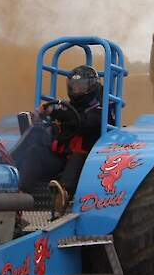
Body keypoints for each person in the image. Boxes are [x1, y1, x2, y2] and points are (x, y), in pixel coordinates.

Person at [13, 65, 106, 212]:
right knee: (35, 149)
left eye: (81, 86)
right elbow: (58, 128)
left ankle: (62, 195)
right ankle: (18, 192)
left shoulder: (101, 110)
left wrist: (57, 113)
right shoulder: (65, 107)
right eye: (73, 86)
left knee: (77, 156)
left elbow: (84, 123)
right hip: (60, 160)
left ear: (91, 86)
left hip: (87, 166)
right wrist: (41, 117)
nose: (76, 90)